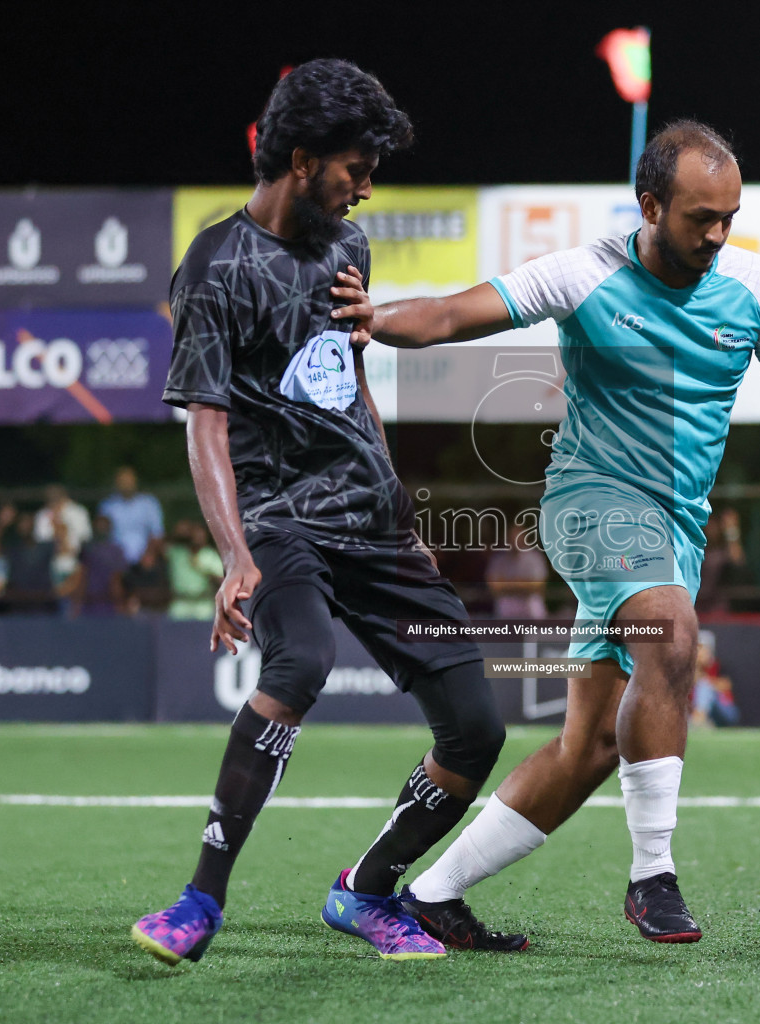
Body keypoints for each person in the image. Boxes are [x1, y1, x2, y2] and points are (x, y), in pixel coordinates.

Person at [368, 119, 760, 946]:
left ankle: (430, 893)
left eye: (728, 218)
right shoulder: (585, 273)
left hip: (676, 528)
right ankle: (653, 878)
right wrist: (362, 318)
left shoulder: (759, 289)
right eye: (699, 218)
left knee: (593, 746)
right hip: (591, 502)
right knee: (671, 634)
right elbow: (450, 317)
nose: (716, 235)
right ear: (649, 205)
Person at [133, 59, 511, 967]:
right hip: (278, 522)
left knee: (477, 727)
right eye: (354, 167)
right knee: (300, 660)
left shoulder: (348, 249)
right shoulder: (217, 267)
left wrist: (396, 499)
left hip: (372, 525)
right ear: (301, 159)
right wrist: (236, 556)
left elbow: (349, 383)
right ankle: (199, 901)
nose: (367, 187)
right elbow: (206, 424)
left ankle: (365, 890)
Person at [98, 467, 164, 564]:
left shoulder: (149, 504)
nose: (126, 485)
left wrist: (148, 555)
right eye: (122, 481)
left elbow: (157, 534)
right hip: (115, 561)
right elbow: (102, 535)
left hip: (144, 560)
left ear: (135, 481)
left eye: (129, 481)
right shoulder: (108, 506)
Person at [165, 520, 224, 621]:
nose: (197, 537)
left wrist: (208, 572)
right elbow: (161, 544)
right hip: (180, 602)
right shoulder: (178, 552)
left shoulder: (209, 555)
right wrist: (179, 533)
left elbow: (222, 580)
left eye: (201, 535)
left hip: (203, 603)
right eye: (194, 534)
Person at [695, 508, 748, 614]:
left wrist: (731, 529)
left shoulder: (725, 551)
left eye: (714, 524)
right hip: (694, 605)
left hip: (718, 609)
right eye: (708, 523)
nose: (711, 528)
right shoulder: (694, 548)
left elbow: (738, 560)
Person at [73, 515, 126, 617]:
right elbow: (82, 576)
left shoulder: (116, 550)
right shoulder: (88, 549)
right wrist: (77, 604)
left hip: (108, 604)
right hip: (90, 604)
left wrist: (119, 604)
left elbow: (116, 579)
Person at [690, 631, 739, 728]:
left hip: (725, 710)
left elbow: (726, 685)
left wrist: (704, 681)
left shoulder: (717, 665)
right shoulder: (687, 670)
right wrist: (696, 668)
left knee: (704, 687)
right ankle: (702, 721)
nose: (701, 653)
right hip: (694, 713)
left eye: (704, 649)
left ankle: (699, 719)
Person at [33, 485, 92, 556]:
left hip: (77, 556)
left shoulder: (78, 512)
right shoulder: (42, 515)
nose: (53, 503)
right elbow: (40, 538)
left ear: (65, 497)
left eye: (56, 499)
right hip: (49, 558)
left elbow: (85, 536)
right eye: (50, 500)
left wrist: (66, 531)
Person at [122, 537, 171, 615]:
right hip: (140, 611)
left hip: (159, 609)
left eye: (150, 556)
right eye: (145, 556)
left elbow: (164, 593)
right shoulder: (134, 572)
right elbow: (130, 592)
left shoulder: (162, 572)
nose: (147, 559)